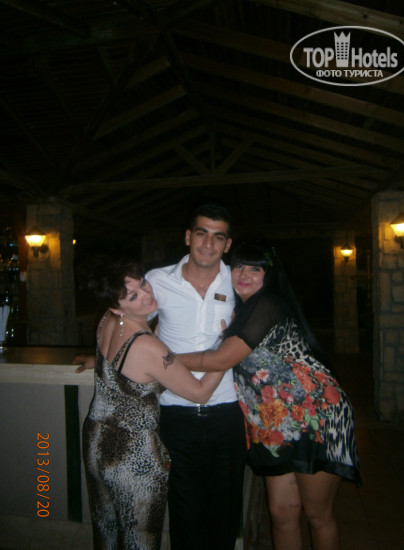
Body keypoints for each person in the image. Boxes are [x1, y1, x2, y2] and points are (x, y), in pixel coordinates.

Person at [75, 202, 247, 550]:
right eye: (201, 233)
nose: (208, 244)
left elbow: (137, 328)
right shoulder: (157, 280)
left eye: (218, 237)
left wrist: (107, 358)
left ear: (228, 244)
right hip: (173, 414)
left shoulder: (239, 282)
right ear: (188, 237)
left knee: (225, 512)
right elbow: (139, 328)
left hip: (225, 411)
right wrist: (227, 348)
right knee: (184, 512)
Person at [177, 240, 362, 550]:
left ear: (269, 274)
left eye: (256, 269)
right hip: (274, 424)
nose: (244, 274)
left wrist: (160, 358)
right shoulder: (240, 310)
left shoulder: (266, 304)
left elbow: (220, 359)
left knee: (316, 514)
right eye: (238, 266)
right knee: (281, 513)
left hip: (316, 417)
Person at [81, 258, 225, 550]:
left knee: (107, 532)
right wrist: (225, 347)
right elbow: (199, 393)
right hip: (132, 455)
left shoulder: (106, 322)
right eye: (133, 296)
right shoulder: (148, 347)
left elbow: (128, 369)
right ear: (116, 307)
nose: (147, 294)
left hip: (96, 441)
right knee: (140, 541)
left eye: (143, 283)